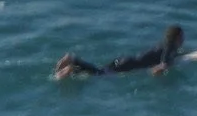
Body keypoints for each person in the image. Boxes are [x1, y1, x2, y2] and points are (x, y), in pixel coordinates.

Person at [54, 25, 187, 80]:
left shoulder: (163, 44)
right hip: (128, 65)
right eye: (182, 37)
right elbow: (163, 63)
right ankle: (73, 63)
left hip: (125, 60)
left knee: (100, 72)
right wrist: (160, 71)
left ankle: (73, 64)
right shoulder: (170, 47)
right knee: (100, 75)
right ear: (177, 37)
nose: (183, 39)